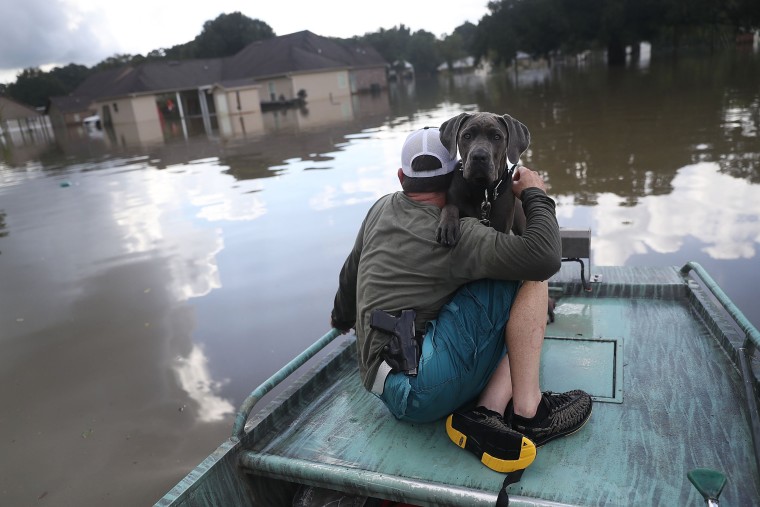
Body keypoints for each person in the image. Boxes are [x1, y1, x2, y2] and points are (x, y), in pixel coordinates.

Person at [330, 126, 592, 473]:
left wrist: (342, 318)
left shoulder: (380, 207)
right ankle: (528, 413)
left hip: (378, 384)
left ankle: (485, 408)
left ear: (400, 176)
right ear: (455, 173)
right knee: (528, 274)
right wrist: (535, 194)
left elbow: (350, 275)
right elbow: (544, 256)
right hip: (423, 391)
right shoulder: (459, 235)